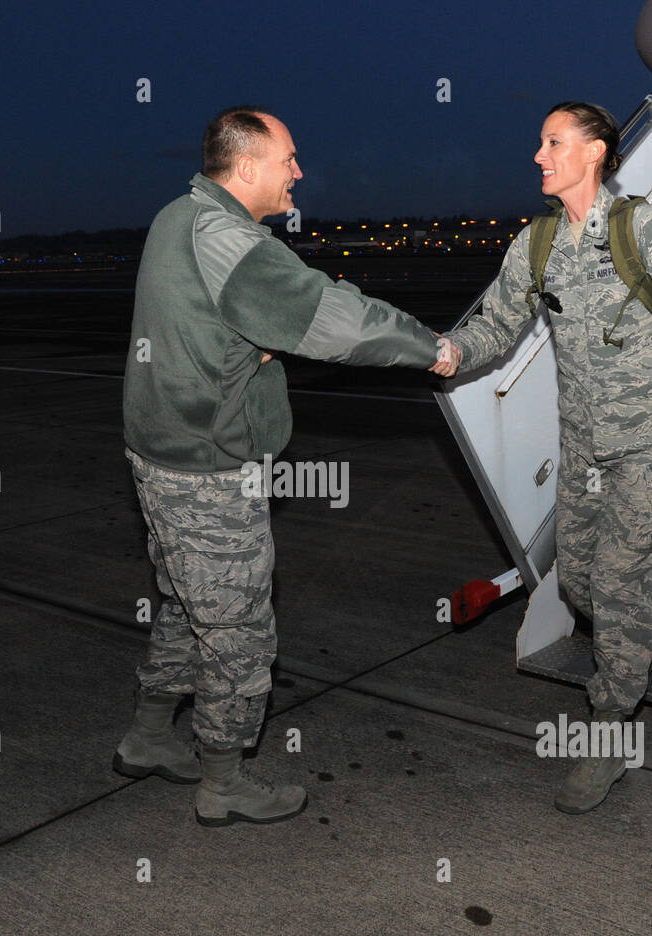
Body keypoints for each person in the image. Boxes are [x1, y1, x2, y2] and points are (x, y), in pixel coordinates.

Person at [118, 106, 458, 826]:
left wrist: (253, 345)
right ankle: (224, 781)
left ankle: (148, 737)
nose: (298, 172)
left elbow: (200, 320)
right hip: (207, 467)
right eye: (289, 159)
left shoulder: (175, 216)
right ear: (247, 168)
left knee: (185, 604)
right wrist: (430, 346)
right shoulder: (231, 239)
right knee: (238, 629)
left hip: (160, 453)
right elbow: (330, 317)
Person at [442, 102, 652, 813]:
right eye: (541, 142)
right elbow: (499, 323)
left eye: (553, 142)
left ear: (596, 151)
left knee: (620, 577)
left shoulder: (645, 231)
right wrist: (452, 351)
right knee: (576, 579)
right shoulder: (537, 244)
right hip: (584, 445)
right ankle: (643, 634)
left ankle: (609, 733)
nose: (539, 155)